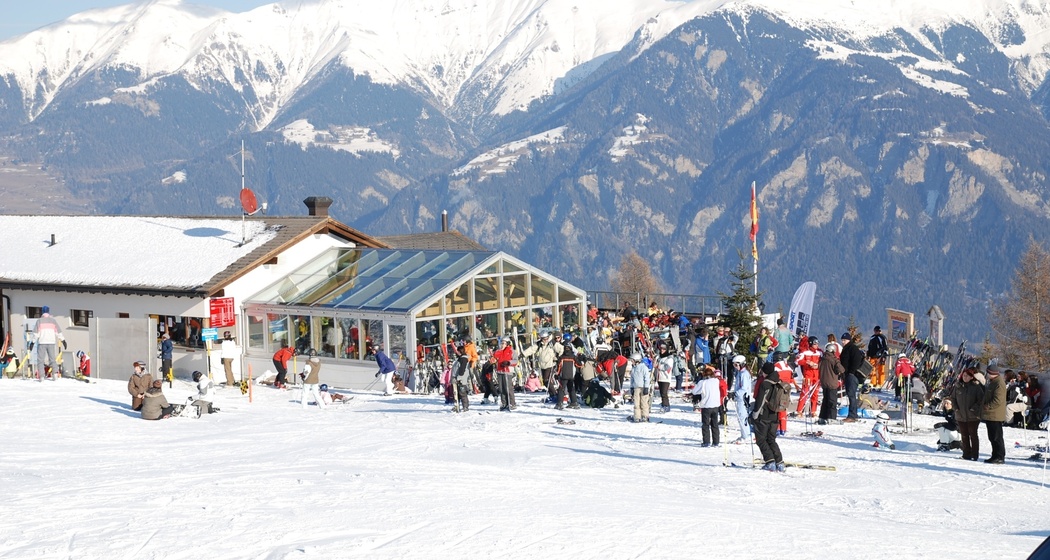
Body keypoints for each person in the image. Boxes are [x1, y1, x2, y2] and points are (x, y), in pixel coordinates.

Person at [751, 366, 785, 471]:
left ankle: (770, 461)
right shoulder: (779, 382)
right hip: (775, 415)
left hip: (764, 416)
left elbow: (760, 401)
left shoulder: (765, 384)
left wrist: (754, 414)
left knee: (761, 440)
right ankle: (779, 462)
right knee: (771, 439)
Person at [952, 367, 985, 461]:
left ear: (971, 377)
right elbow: (953, 398)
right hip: (961, 415)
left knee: (973, 435)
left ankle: (975, 454)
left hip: (973, 416)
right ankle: (966, 454)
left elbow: (981, 400)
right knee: (964, 435)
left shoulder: (976, 387)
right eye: (964, 375)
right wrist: (956, 408)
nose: (965, 377)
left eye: (967, 376)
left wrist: (974, 409)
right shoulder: (958, 386)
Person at [981, 364, 1007, 464]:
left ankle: (999, 456)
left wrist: (987, 406)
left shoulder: (999, 383)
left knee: (996, 437)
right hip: (991, 415)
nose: (987, 374)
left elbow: (997, 400)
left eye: (988, 372)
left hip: (995, 414)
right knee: (992, 437)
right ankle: (995, 455)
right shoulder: (993, 382)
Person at [32, 305, 66, 380]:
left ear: (42, 312)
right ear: (48, 311)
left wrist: (32, 342)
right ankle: (55, 374)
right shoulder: (53, 321)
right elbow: (58, 332)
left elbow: (36, 333)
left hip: (42, 342)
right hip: (51, 342)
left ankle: (41, 376)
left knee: (40, 360)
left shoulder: (39, 321)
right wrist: (63, 340)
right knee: (52, 359)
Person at [839, 332, 866, 423]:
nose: (843, 342)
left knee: (851, 395)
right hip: (847, 375)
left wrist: (851, 372)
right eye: (842, 340)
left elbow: (856, 361)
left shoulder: (852, 348)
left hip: (852, 375)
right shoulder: (846, 348)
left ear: (849, 340)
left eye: (845, 340)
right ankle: (853, 414)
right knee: (850, 395)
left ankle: (852, 415)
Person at [794, 336, 822, 417]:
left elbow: (824, 361)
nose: (817, 345)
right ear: (810, 344)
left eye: (817, 343)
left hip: (816, 376)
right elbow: (797, 361)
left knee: (815, 394)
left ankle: (813, 411)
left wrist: (818, 365)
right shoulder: (805, 352)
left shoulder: (819, 352)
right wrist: (807, 362)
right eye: (815, 344)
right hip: (808, 375)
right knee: (805, 393)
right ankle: (799, 411)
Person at [817, 342, 844, 425]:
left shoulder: (822, 359)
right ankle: (832, 418)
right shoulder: (834, 359)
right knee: (832, 401)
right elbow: (841, 369)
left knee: (825, 400)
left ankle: (822, 417)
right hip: (832, 382)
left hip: (824, 382)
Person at [695, 367, 722, 447]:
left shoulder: (702, 382)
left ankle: (706, 442)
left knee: (705, 424)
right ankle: (716, 442)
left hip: (706, 405)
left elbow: (695, 391)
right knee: (715, 424)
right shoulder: (716, 381)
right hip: (715, 405)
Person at [729, 355, 753, 444]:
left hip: (743, 398)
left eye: (736, 365)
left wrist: (735, 393)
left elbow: (744, 388)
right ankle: (745, 434)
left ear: (742, 364)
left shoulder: (744, 374)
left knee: (742, 417)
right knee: (741, 417)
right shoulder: (740, 373)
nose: (735, 367)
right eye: (734, 365)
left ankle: (746, 435)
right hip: (739, 398)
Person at [493, 338, 517, 411]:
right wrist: (493, 360)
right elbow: (494, 358)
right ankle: (504, 403)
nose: (502, 345)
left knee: (508, 388)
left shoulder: (511, 351)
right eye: (501, 343)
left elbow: (515, 361)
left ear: (507, 344)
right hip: (500, 371)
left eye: (503, 343)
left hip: (507, 371)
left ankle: (512, 403)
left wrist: (508, 362)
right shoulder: (498, 351)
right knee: (501, 388)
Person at [555, 344, 580, 410]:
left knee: (561, 389)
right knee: (571, 389)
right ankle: (574, 402)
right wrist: (582, 360)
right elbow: (578, 365)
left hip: (563, 376)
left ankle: (560, 403)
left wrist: (557, 374)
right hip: (571, 376)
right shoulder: (573, 357)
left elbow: (559, 367)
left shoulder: (562, 357)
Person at [628, 353, 651, 422]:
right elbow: (632, 379)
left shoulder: (643, 367)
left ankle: (645, 416)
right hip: (636, 388)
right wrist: (631, 387)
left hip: (643, 387)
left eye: (632, 360)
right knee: (636, 403)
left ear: (637, 360)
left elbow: (647, 378)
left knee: (644, 402)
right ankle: (637, 416)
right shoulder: (633, 368)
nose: (631, 362)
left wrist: (646, 387)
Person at [450, 345, 471, 412]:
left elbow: (462, 370)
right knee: (457, 394)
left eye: (457, 351)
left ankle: (465, 407)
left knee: (462, 393)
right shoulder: (460, 358)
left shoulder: (463, 359)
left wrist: (459, 378)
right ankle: (457, 405)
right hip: (457, 379)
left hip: (461, 380)